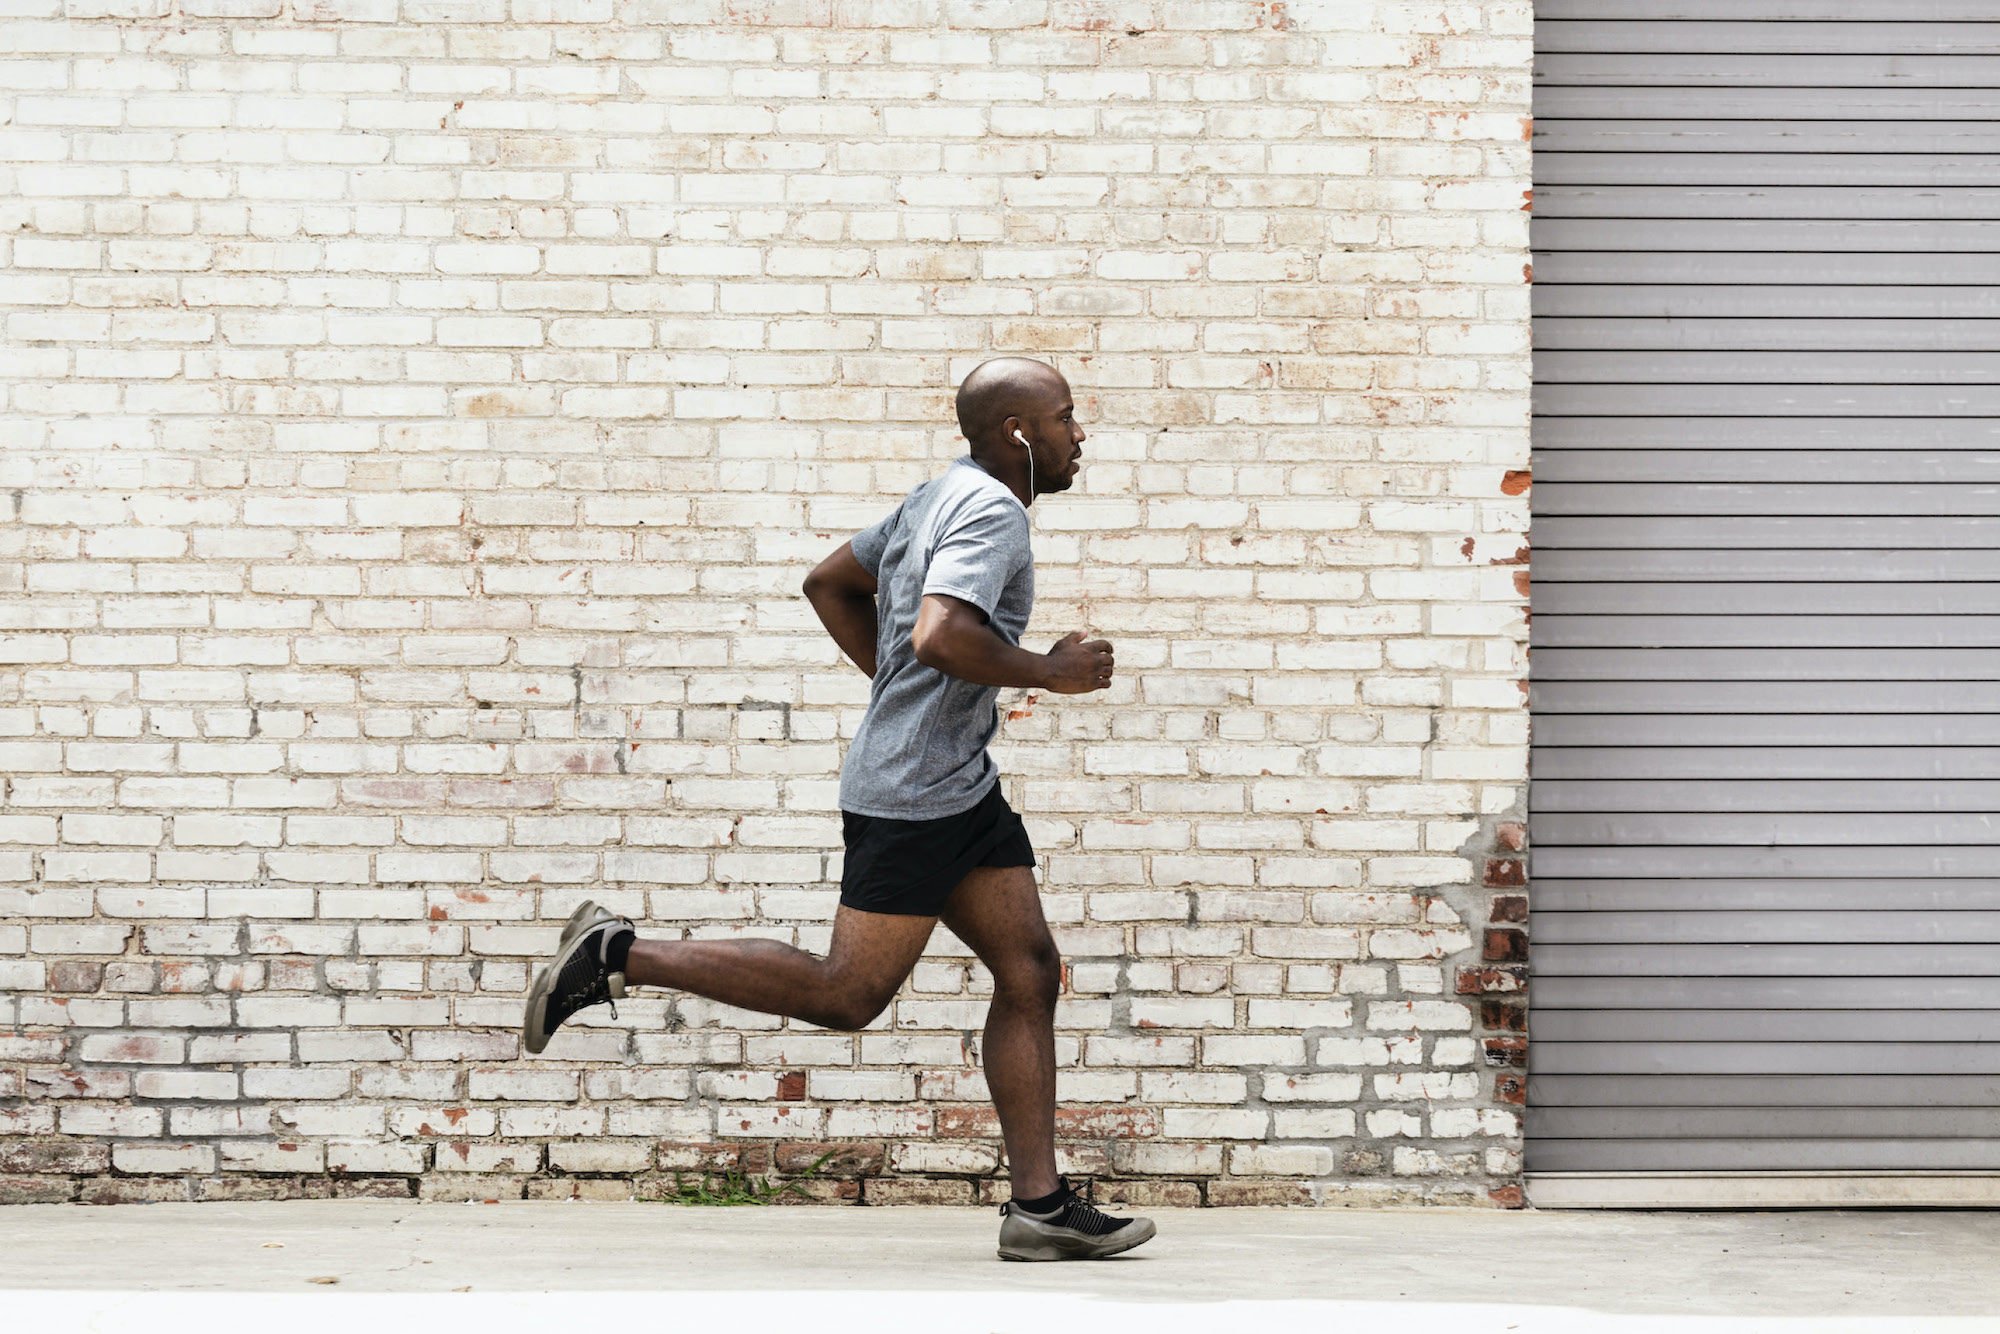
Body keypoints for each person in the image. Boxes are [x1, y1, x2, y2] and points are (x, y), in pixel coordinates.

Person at [520, 357, 1156, 1261]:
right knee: (848, 995)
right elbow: (941, 635)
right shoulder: (989, 513)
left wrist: (902, 701)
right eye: (1064, 416)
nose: (1078, 433)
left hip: (955, 782)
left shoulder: (937, 494)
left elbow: (830, 582)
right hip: (916, 798)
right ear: (1019, 432)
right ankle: (619, 954)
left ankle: (1040, 1208)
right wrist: (1048, 674)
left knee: (1029, 968)